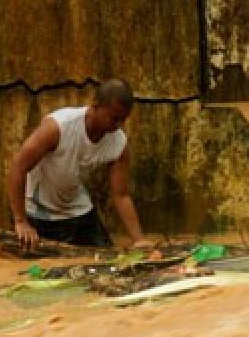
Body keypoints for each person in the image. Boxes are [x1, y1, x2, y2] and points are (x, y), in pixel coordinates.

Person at [8, 78, 151, 250]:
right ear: (96, 106)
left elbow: (121, 195)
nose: (119, 125)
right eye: (114, 118)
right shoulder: (58, 127)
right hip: (39, 212)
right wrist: (20, 221)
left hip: (78, 211)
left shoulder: (118, 143)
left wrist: (139, 239)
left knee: (104, 258)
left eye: (123, 119)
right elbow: (18, 166)